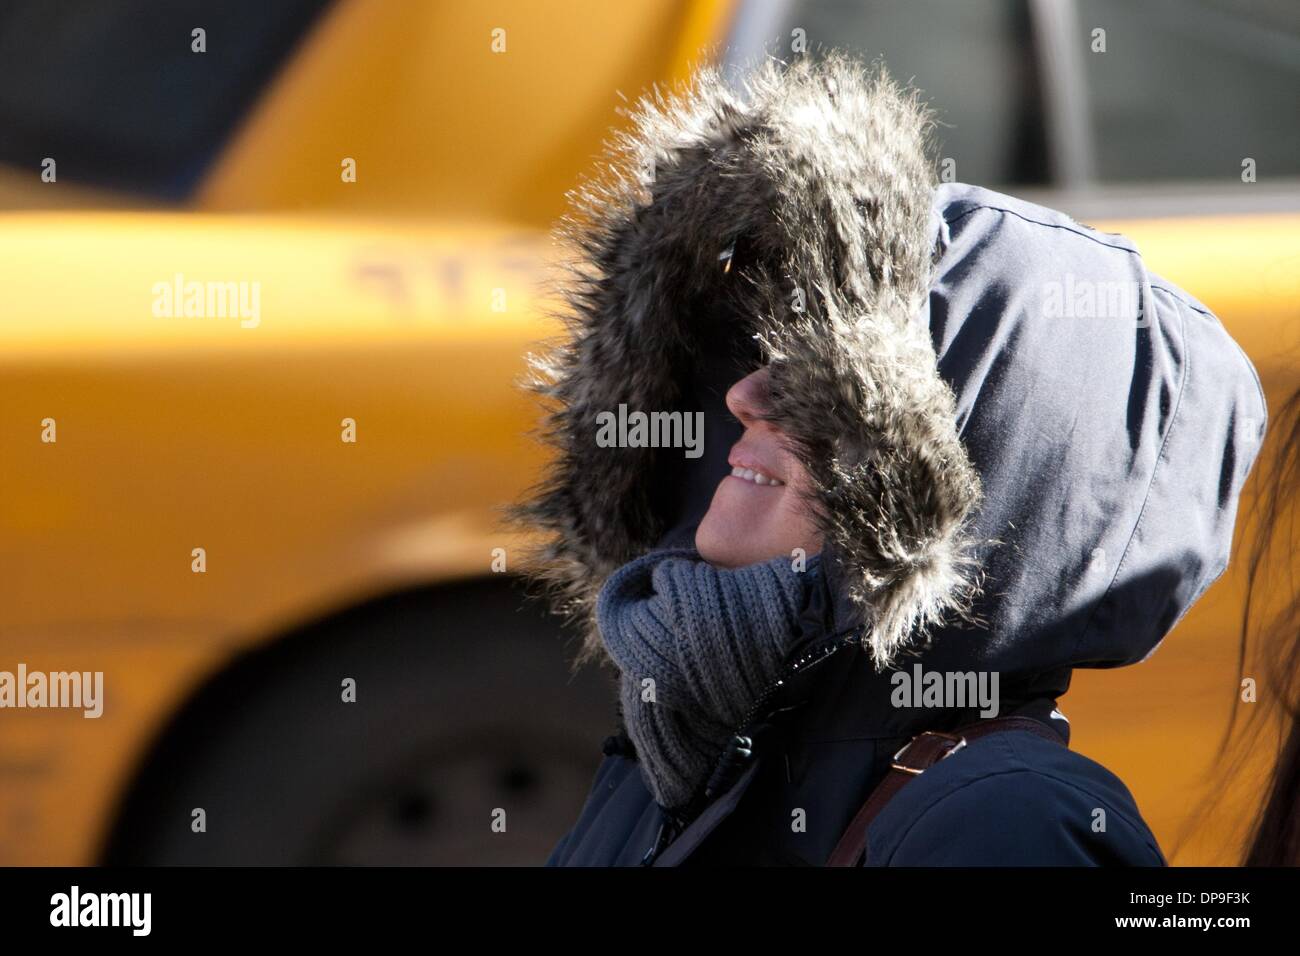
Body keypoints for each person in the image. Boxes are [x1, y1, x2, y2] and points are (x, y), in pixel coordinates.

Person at [512, 52, 1267, 865]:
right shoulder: (685, 746)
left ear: (967, 472)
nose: (745, 396)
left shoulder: (1004, 823)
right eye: (758, 350)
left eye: (823, 378)